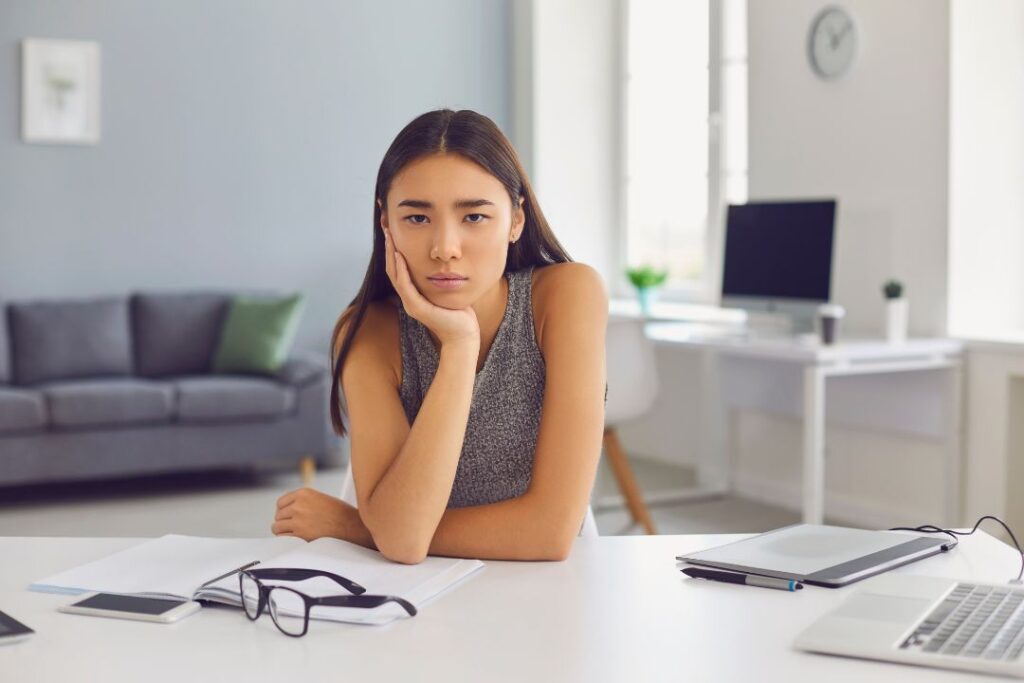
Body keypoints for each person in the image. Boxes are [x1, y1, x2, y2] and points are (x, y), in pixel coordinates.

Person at [272, 109, 607, 564]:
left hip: (549, 584)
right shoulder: (369, 331)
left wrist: (356, 527)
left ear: (515, 220)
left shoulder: (567, 295)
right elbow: (404, 541)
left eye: (473, 216)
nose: (445, 247)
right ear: (386, 222)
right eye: (416, 218)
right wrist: (459, 346)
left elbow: (547, 535)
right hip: (411, 590)